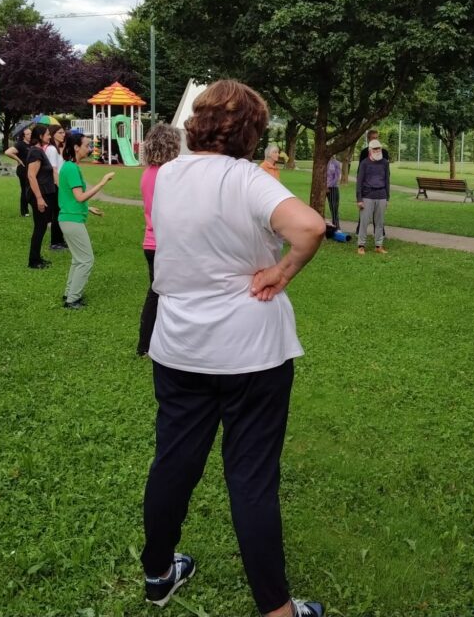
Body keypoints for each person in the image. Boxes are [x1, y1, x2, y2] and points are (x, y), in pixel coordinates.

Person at [140, 80, 326, 617]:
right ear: (251, 131)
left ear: (198, 122)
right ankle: (278, 610)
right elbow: (310, 227)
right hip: (251, 352)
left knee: (173, 462)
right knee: (250, 478)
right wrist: (282, 271)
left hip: (179, 345)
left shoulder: (167, 174)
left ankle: (157, 574)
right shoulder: (249, 179)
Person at [137, 123, 181, 355]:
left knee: (156, 292)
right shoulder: (168, 174)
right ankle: (148, 345)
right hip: (164, 242)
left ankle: (146, 344)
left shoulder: (148, 173)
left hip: (152, 242)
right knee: (162, 294)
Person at [58, 132, 115, 309]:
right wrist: (103, 182)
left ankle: (69, 293)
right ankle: (72, 299)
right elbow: (80, 196)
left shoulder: (69, 167)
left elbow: (71, 197)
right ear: (76, 147)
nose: (89, 149)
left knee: (78, 259)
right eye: (87, 145)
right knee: (86, 260)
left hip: (70, 218)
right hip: (71, 220)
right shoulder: (71, 168)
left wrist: (88, 208)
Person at [25, 124, 56, 269]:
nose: (50, 136)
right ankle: (33, 261)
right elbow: (31, 176)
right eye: (48, 134)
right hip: (40, 194)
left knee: (42, 227)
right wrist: (39, 198)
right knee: (39, 227)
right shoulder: (36, 152)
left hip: (45, 193)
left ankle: (36, 257)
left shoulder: (38, 151)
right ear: (40, 136)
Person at [356, 138, 389, 255]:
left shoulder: (385, 163)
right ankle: (361, 245)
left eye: (379, 148)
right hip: (367, 196)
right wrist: (359, 199)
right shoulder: (364, 163)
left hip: (381, 195)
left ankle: (378, 245)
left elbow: (387, 181)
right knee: (364, 222)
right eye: (375, 148)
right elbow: (359, 182)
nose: (377, 150)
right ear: (370, 150)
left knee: (380, 222)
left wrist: (387, 198)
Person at [44, 125, 68, 251]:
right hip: (55, 185)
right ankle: (55, 242)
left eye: (64, 132)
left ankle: (60, 240)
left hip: (59, 184)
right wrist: (61, 187)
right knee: (57, 214)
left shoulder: (57, 148)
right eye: (60, 132)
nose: (63, 134)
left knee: (60, 213)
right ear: (54, 134)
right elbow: (53, 171)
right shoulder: (52, 149)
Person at [5, 126, 32, 217]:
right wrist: (19, 160)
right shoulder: (20, 144)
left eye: (30, 133)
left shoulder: (31, 144)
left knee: (29, 190)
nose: (30, 135)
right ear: (24, 136)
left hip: (30, 170)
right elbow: (8, 152)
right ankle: (24, 211)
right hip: (23, 170)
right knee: (25, 190)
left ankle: (28, 209)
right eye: (28, 134)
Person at [326, 155, 341, 230]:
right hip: (322, 188)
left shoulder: (336, 163)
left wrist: (328, 186)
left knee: (334, 208)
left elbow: (337, 177)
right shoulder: (324, 162)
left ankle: (336, 227)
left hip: (333, 188)